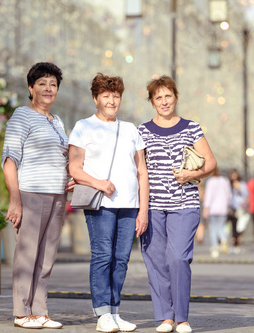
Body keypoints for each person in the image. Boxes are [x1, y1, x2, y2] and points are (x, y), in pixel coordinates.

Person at [68, 73, 149, 333]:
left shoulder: (131, 129)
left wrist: (143, 209)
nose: (112, 101)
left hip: (129, 204)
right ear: (95, 98)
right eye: (106, 96)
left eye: (116, 96)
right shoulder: (83, 126)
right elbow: (74, 168)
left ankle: (115, 311)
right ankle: (102, 314)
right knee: (103, 256)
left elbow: (142, 171)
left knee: (122, 259)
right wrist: (100, 183)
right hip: (101, 203)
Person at [138, 75, 216, 333]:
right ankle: (165, 317)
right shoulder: (142, 131)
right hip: (153, 207)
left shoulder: (191, 127)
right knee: (156, 261)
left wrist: (191, 175)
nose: (164, 101)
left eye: (168, 96)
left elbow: (211, 163)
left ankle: (181, 318)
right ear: (152, 101)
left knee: (178, 258)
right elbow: (137, 171)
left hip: (184, 204)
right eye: (158, 97)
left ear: (175, 97)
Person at [1, 62, 74, 329]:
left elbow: (64, 157)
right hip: (31, 194)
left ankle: (40, 311)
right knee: (27, 255)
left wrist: (72, 175)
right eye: (42, 83)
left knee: (47, 256)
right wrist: (15, 199)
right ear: (31, 88)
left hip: (56, 196)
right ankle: (22, 313)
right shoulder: (22, 115)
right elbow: (10, 160)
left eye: (53, 84)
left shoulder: (57, 120)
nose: (48, 88)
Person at [203, 168, 232, 258]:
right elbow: (229, 195)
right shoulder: (225, 181)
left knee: (213, 229)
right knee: (221, 226)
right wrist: (228, 205)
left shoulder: (210, 182)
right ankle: (224, 239)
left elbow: (208, 196)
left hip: (213, 208)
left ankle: (215, 248)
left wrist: (205, 208)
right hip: (223, 208)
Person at [227, 169, 248, 253]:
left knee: (240, 226)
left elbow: (246, 194)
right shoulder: (229, 185)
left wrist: (239, 187)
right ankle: (234, 242)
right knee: (233, 226)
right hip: (232, 208)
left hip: (240, 207)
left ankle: (237, 240)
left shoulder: (241, 184)